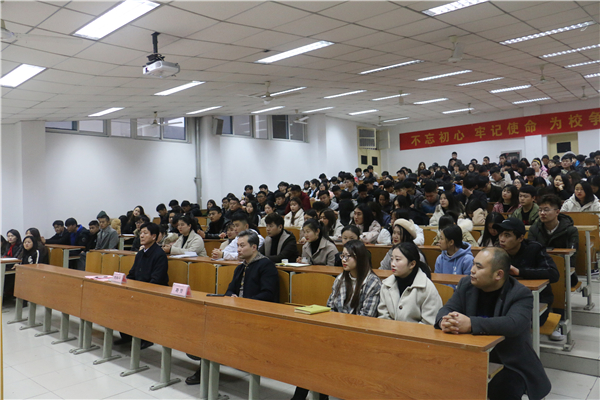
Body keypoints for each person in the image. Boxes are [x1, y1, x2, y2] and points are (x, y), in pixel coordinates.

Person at [435, 247, 552, 400]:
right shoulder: (466, 284)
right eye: (473, 264)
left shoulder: (520, 293)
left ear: (498, 274)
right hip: (472, 356)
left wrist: (471, 324)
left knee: (503, 390)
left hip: (509, 361)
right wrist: (445, 321)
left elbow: (513, 324)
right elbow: (446, 310)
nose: (472, 270)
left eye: (479, 267)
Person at [495, 218, 559, 325]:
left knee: (516, 322)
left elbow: (553, 273)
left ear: (520, 238)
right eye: (500, 234)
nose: (501, 239)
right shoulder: (497, 250)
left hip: (536, 299)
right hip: (506, 299)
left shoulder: (535, 248)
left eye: (507, 235)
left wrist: (520, 272)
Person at [114, 222, 169, 349]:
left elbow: (156, 280)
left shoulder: (159, 255)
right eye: (141, 233)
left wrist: (141, 291)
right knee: (120, 299)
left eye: (145, 233)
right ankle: (126, 336)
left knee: (139, 303)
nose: (141, 236)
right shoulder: (140, 253)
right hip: (139, 289)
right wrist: (125, 283)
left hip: (154, 291)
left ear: (154, 236)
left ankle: (146, 338)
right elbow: (132, 274)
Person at [378, 242, 441, 324]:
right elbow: (383, 316)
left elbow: (429, 323)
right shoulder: (386, 284)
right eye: (392, 259)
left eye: (397, 259)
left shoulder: (427, 288)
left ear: (412, 264)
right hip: (389, 331)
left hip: (417, 332)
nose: (392, 264)